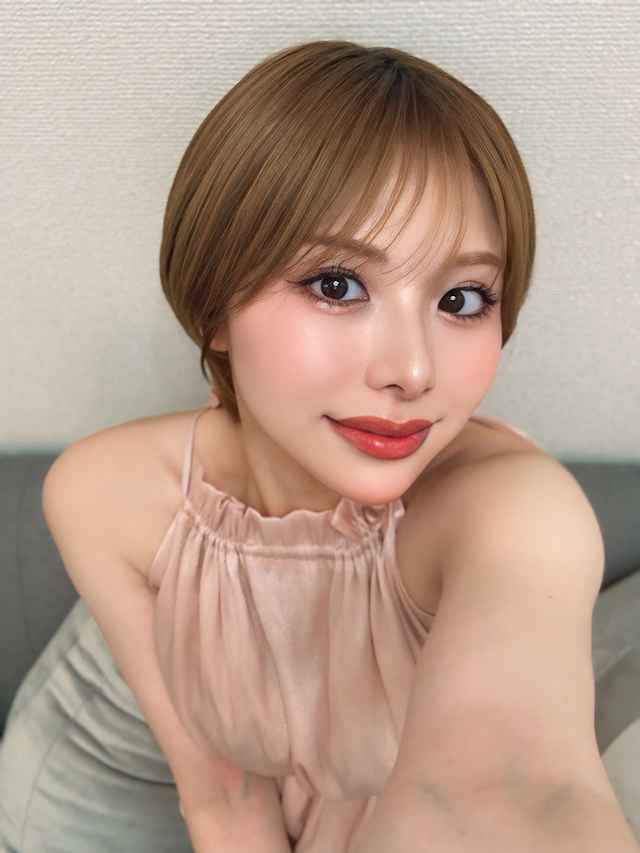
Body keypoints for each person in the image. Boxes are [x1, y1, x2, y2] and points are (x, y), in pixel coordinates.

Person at [0, 40, 636, 853]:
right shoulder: (103, 495)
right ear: (213, 310)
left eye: (461, 298)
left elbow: (512, 787)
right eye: (337, 284)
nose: (412, 370)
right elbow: (224, 796)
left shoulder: (512, 510)